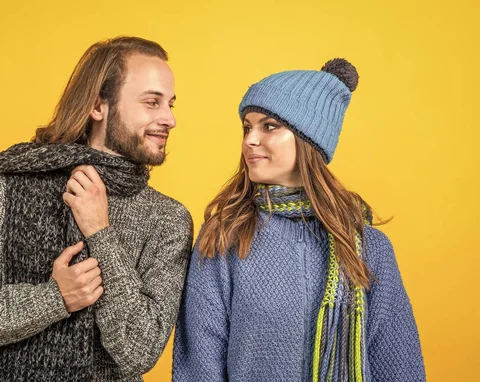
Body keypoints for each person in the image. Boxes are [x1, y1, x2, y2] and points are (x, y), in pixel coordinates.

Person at [0, 36, 193, 382]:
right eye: (152, 102)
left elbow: (140, 351)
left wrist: (100, 233)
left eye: (171, 104)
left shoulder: (167, 220)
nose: (169, 119)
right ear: (98, 106)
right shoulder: (1, 187)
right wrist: (53, 298)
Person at [172, 58, 425, 381]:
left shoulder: (367, 247)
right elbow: (199, 367)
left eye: (269, 126)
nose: (250, 139)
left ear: (309, 139)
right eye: (247, 127)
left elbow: (399, 366)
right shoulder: (225, 236)